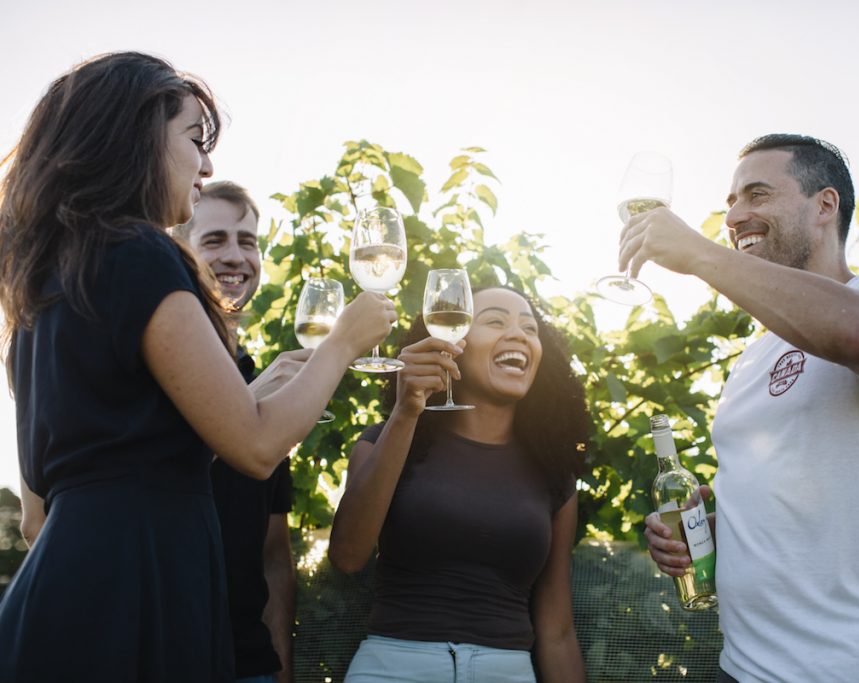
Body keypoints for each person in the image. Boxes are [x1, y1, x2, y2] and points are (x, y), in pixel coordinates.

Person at [0, 52, 396, 681]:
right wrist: (344, 342)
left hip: (65, 589)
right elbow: (259, 446)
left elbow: (45, 507)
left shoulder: (45, 288)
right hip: (142, 590)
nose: (207, 166)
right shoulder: (142, 253)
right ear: (134, 139)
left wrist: (256, 392)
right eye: (194, 140)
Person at [627, 134, 859, 682]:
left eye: (757, 195)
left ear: (825, 205)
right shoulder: (751, 360)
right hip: (746, 667)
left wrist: (702, 257)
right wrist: (704, 527)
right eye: (730, 202)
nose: (737, 216)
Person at [328, 286, 589, 683]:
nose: (518, 334)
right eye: (495, 321)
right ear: (449, 344)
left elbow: (556, 632)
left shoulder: (554, 473)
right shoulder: (384, 443)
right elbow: (348, 556)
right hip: (394, 668)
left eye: (529, 328)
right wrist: (406, 411)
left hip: (508, 672)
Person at [172, 181, 299, 683]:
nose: (235, 256)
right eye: (215, 240)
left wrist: (280, 667)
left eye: (247, 242)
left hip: (248, 665)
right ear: (180, 252)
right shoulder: (155, 366)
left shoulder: (260, 380)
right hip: (158, 652)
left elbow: (273, 556)